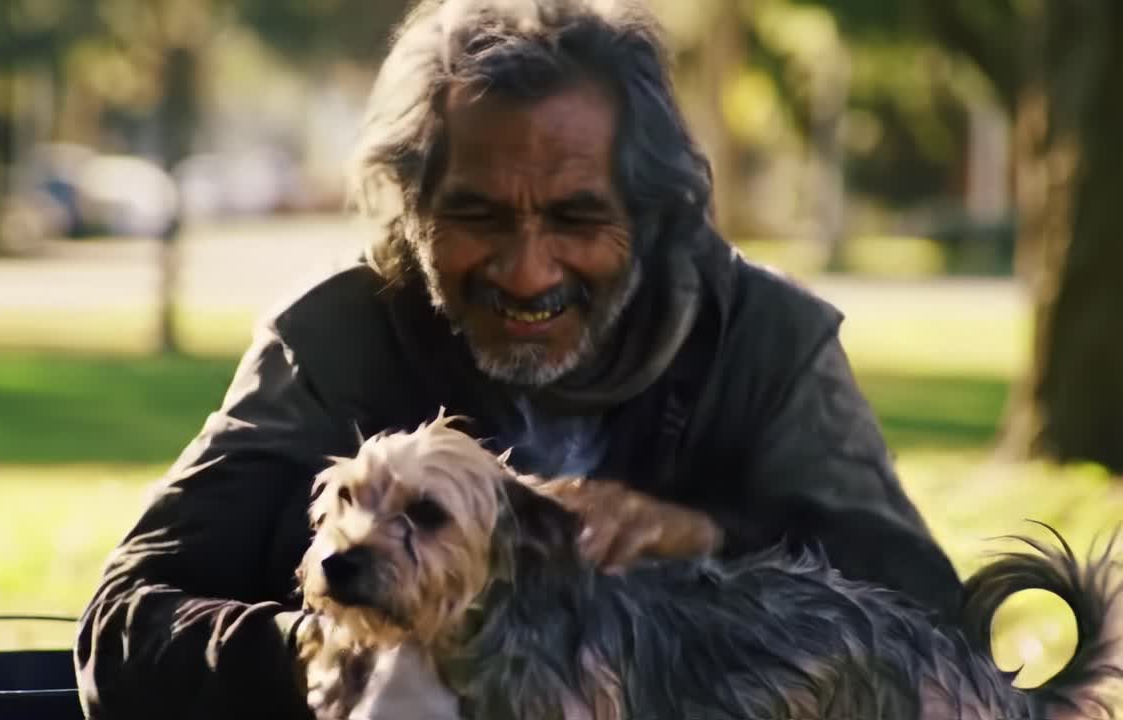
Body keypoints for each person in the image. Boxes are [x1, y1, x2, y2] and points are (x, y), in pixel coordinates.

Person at [74, 0, 964, 717]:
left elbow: (931, 627)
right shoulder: (329, 342)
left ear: (651, 216)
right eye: (477, 216)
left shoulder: (765, 343)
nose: (528, 272)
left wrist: (709, 536)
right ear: (412, 206)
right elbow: (121, 628)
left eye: (577, 218)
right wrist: (351, 654)